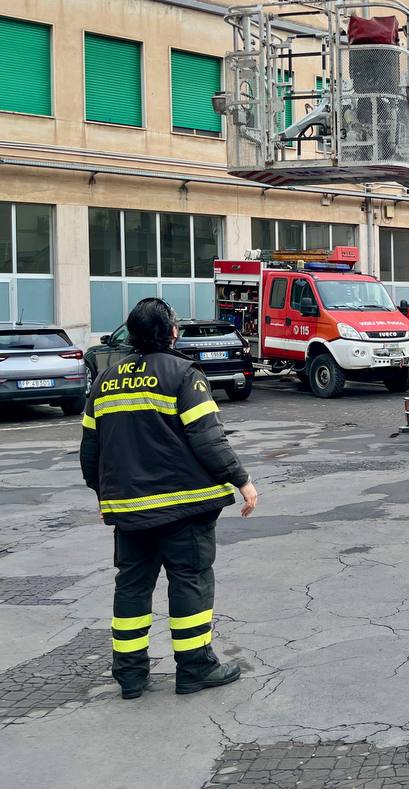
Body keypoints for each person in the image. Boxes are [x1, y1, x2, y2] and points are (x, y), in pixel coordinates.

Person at [79, 298, 258, 700]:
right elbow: (207, 438)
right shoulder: (183, 375)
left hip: (129, 512)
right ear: (172, 332)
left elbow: (90, 451)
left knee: (131, 588)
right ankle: (195, 668)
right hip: (183, 507)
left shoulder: (105, 381)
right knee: (189, 582)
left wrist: (106, 493)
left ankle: (129, 675)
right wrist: (241, 480)